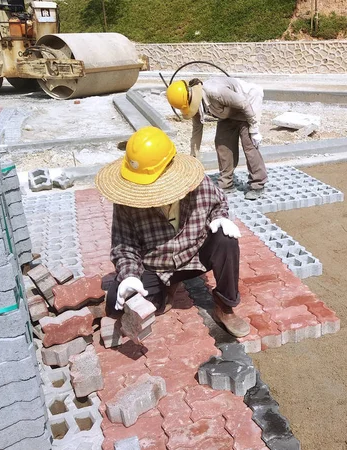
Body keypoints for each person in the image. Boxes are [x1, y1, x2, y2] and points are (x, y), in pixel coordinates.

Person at [95, 126, 250, 338]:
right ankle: (166, 286)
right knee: (115, 305)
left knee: (226, 239)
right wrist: (129, 276)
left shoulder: (197, 183)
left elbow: (218, 202)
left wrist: (220, 217)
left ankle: (225, 306)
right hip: (157, 264)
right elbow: (124, 246)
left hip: (194, 255)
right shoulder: (127, 202)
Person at [166, 77, 268, 200]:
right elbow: (196, 133)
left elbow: (243, 104)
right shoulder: (194, 105)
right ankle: (226, 184)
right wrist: (194, 159)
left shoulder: (215, 92)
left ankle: (258, 184)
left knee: (249, 145)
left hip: (248, 103)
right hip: (229, 112)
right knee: (222, 143)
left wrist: (255, 130)